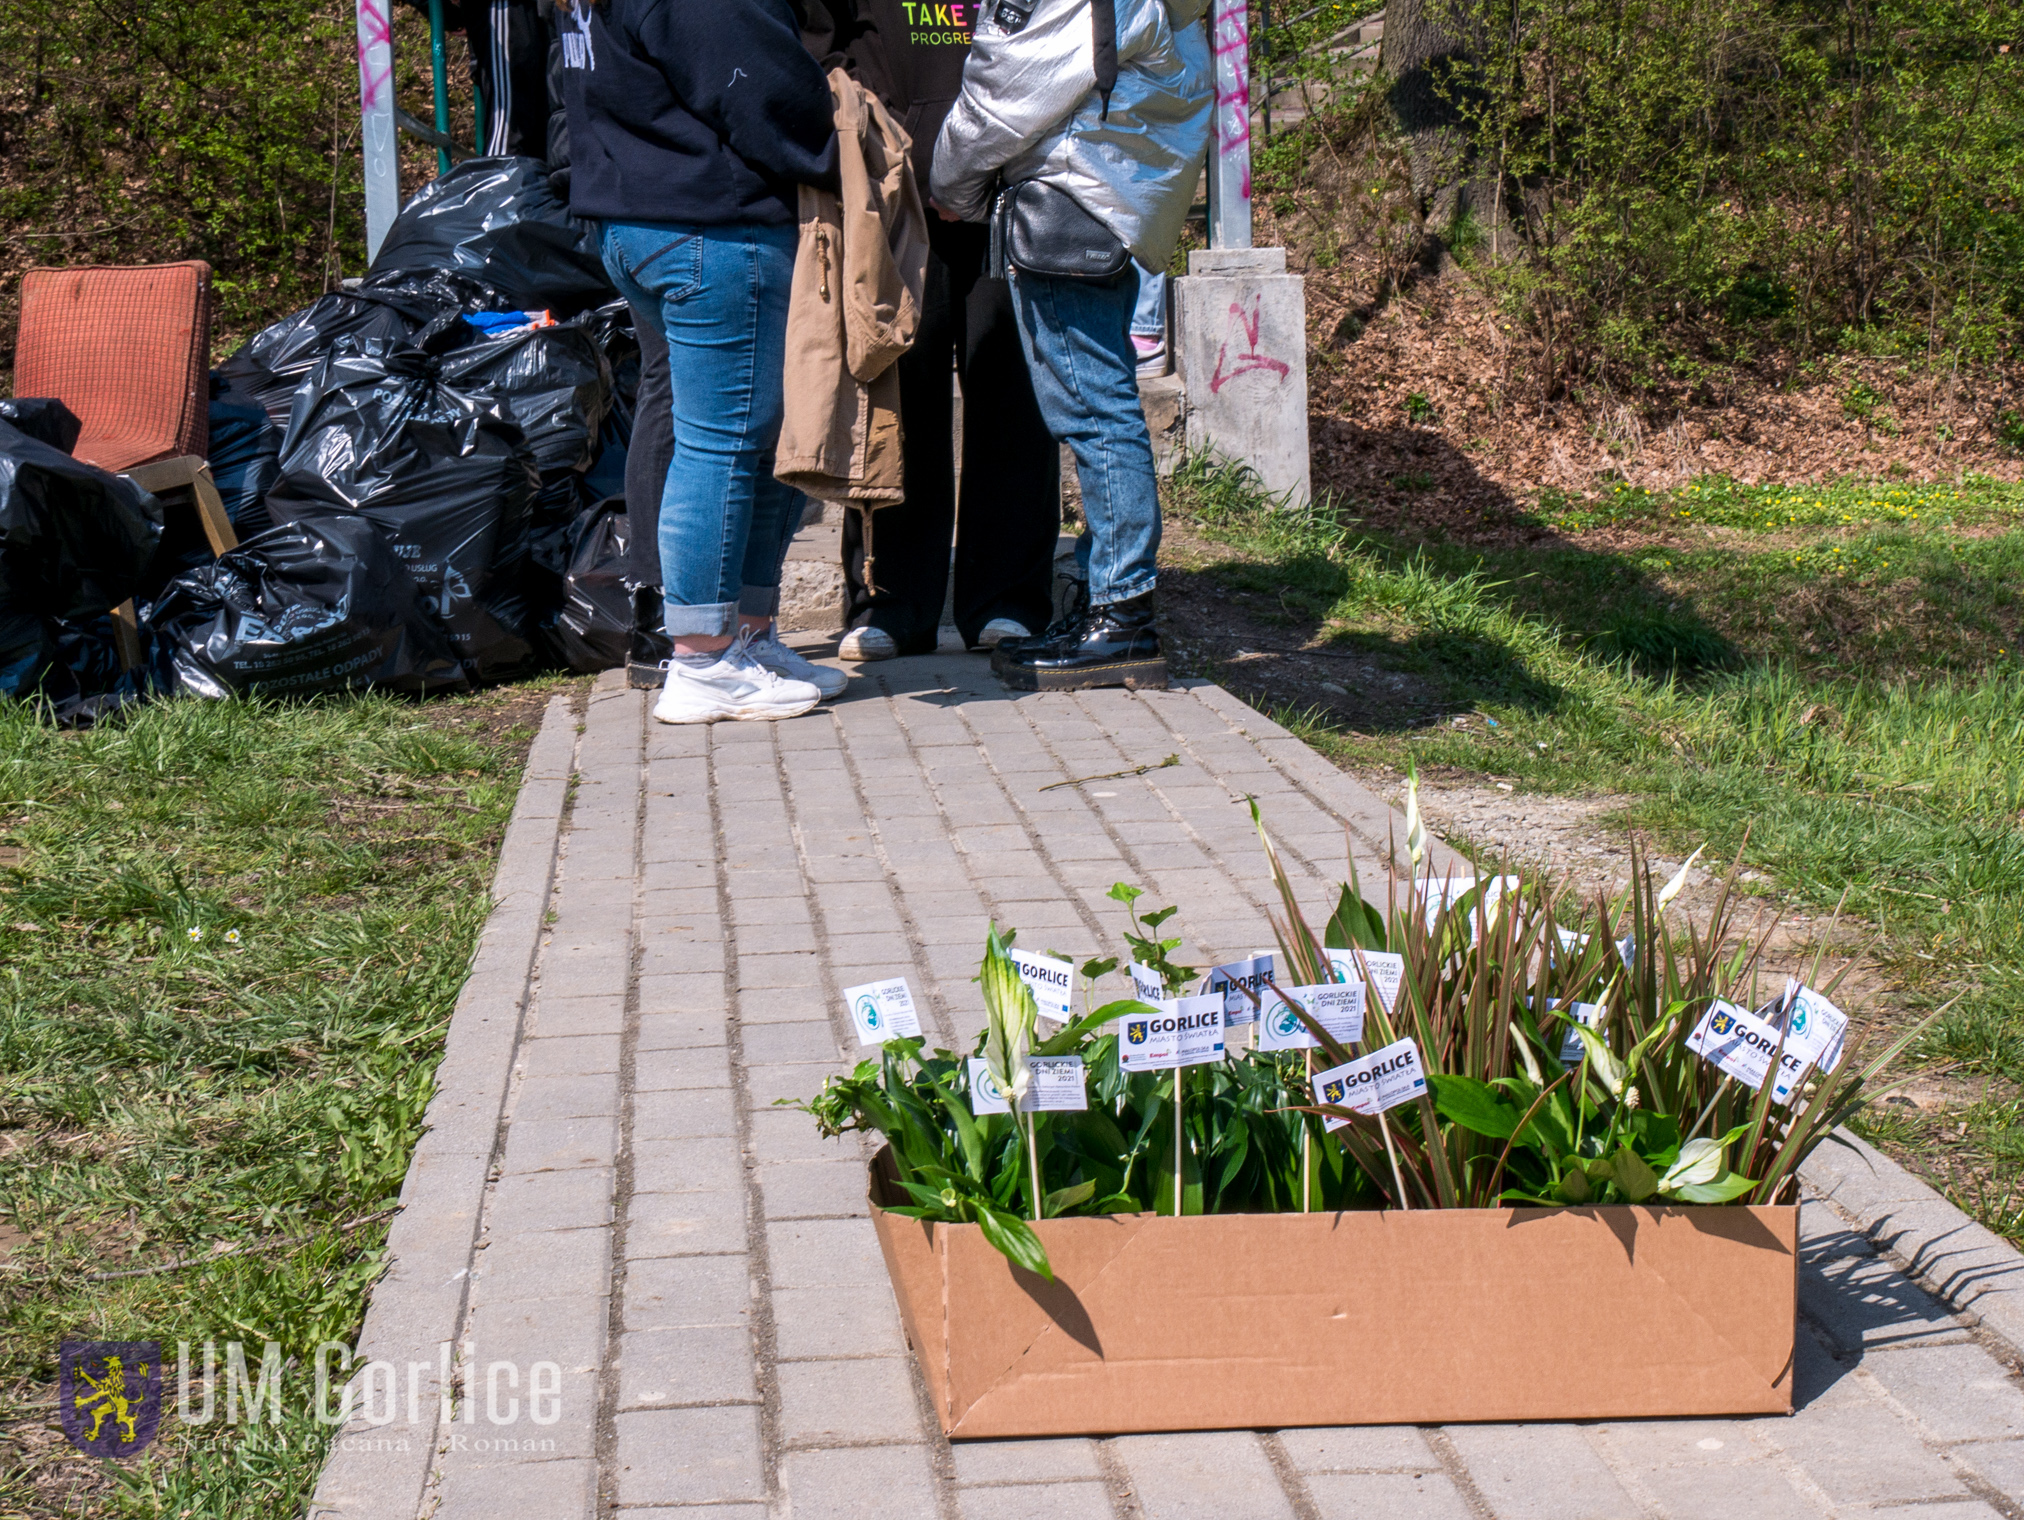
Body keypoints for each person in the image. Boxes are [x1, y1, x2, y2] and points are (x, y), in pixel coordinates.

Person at [558, 0, 850, 721]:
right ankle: (703, 660)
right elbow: (764, 89)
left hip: (647, 220)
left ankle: (744, 640)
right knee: (721, 444)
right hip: (713, 227)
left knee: (756, 440)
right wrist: (844, 149)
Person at [933, 0, 1211, 691]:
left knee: (1095, 415)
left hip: (1065, 199)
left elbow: (1005, 88)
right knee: (1105, 408)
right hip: (1115, 202)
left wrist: (950, 183)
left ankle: (1119, 618)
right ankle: (1107, 601)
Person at [804, 0, 1064, 662]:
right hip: (896, 197)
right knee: (900, 397)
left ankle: (1007, 599)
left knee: (1014, 399)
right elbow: (814, 36)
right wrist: (861, 120)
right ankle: (891, 600)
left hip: (1012, 189)